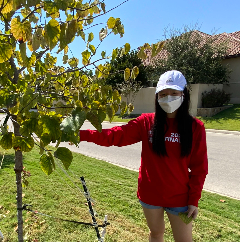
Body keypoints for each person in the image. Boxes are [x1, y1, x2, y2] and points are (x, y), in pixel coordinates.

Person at [77, 70, 208, 242]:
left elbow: (199, 168)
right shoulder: (147, 122)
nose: (168, 98)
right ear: (157, 96)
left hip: (180, 198)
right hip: (150, 195)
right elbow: (115, 136)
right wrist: (80, 135)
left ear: (184, 94)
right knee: (155, 234)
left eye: (174, 93)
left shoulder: (195, 127)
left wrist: (194, 200)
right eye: (163, 94)